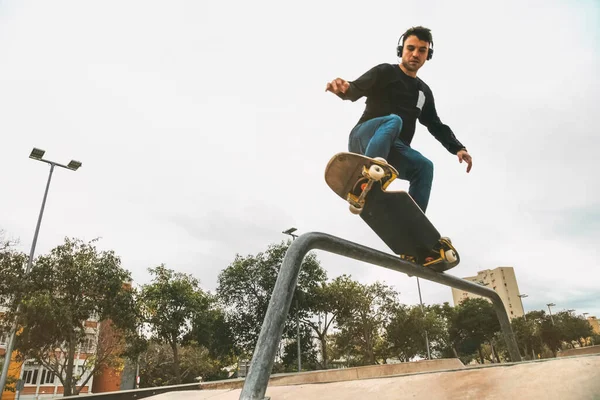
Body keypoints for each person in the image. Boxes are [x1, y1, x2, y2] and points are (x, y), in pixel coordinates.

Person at [325, 26, 472, 214]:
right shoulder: (386, 72)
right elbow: (355, 88)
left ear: (428, 55)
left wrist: (458, 147)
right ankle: (366, 178)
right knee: (394, 121)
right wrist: (343, 88)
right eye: (410, 48)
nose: (415, 54)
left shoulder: (423, 92)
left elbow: (435, 124)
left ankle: (412, 222)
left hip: (394, 150)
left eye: (422, 50)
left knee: (425, 166)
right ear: (401, 50)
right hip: (365, 137)